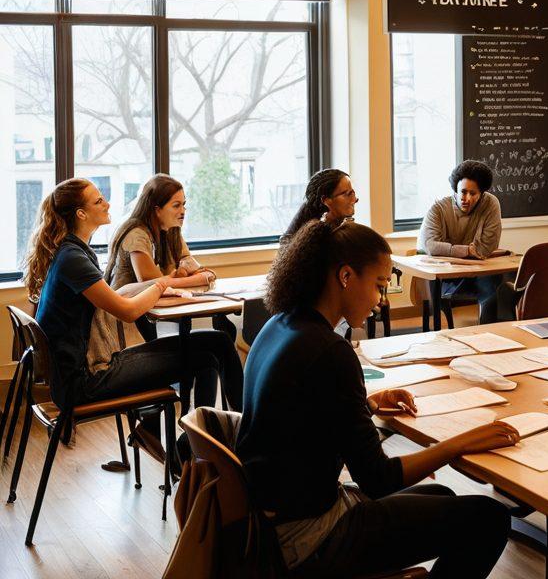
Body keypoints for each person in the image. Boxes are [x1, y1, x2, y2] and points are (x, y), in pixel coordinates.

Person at [237, 219, 514, 577]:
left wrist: (364, 404)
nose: (382, 300)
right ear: (346, 276)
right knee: (488, 518)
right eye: (380, 285)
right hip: (308, 537)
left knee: (443, 497)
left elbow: (299, 416)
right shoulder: (331, 351)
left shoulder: (281, 324)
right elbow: (378, 479)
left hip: (270, 519)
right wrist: (457, 445)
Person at [24, 178, 243, 462]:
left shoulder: (73, 251)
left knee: (217, 341)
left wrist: (165, 283)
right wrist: (164, 285)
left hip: (87, 369)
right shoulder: (73, 258)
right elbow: (127, 311)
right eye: (98, 201)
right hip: (86, 382)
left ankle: (207, 443)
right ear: (81, 214)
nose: (107, 203)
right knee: (207, 356)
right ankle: (214, 445)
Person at [104, 173, 236, 342]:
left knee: (219, 339)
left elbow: (207, 275)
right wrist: (182, 277)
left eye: (184, 205)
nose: (183, 211)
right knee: (217, 343)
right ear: (157, 209)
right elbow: (153, 285)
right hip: (126, 326)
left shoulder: (172, 231)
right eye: (176, 206)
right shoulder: (136, 235)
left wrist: (175, 278)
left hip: (151, 316)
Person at [419, 160, 504, 324]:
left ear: (482, 194)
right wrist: (467, 251)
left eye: (473, 194)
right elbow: (431, 246)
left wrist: (450, 249)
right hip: (443, 274)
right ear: (455, 190)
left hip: (476, 270)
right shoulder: (438, 209)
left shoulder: (491, 203)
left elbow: (487, 247)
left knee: (499, 283)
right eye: (463, 192)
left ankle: (490, 332)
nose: (467, 198)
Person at [281, 168, 358, 242]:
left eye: (353, 193)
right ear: (326, 200)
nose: (355, 199)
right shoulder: (318, 241)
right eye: (348, 194)